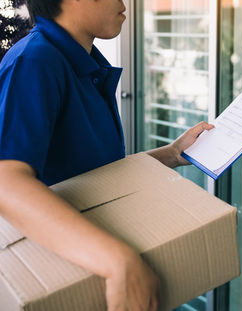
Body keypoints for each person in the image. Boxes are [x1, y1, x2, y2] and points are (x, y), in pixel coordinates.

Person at [0, 0, 213, 310]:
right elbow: (7, 182)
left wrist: (171, 153)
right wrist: (119, 261)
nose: (124, 2)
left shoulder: (80, 61)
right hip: (69, 275)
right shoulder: (35, 61)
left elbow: (92, 175)